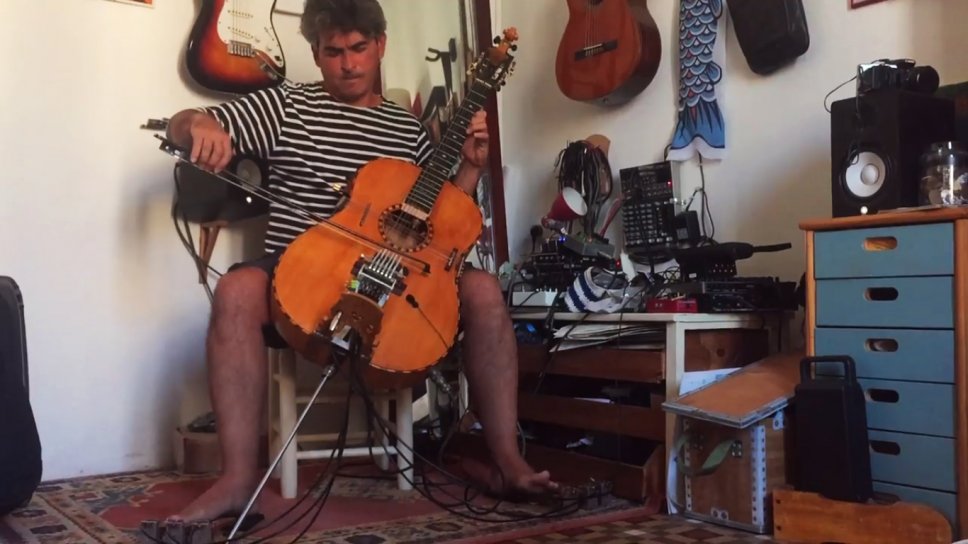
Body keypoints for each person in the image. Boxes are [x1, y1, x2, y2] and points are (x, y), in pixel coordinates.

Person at [164, 0, 557, 524]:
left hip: (396, 278)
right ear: (315, 54)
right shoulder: (286, 104)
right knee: (235, 290)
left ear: (381, 45)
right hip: (302, 274)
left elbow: (440, 226)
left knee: (483, 288)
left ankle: (507, 459)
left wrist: (468, 170)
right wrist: (198, 125)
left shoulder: (407, 129)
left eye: (359, 48)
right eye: (333, 52)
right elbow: (181, 124)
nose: (348, 64)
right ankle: (236, 480)